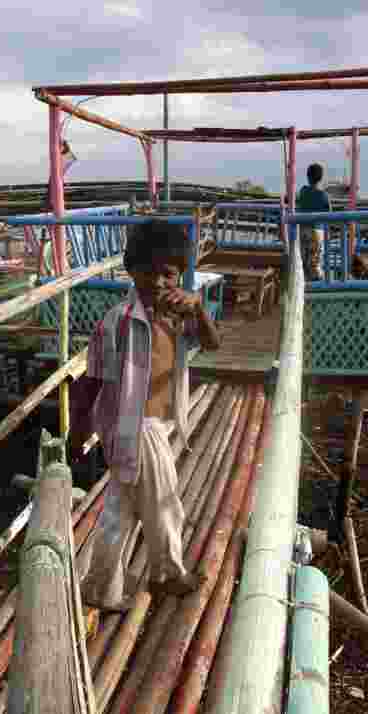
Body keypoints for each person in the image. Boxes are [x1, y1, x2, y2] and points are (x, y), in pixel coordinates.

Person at [70, 220, 222, 612]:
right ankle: (168, 575)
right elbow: (90, 383)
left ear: (178, 275)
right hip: (136, 429)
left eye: (167, 273)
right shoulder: (116, 322)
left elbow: (213, 343)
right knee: (165, 504)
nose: (157, 281)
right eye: (148, 271)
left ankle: (100, 589)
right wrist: (76, 435)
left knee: (119, 514)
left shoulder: (177, 317)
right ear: (131, 269)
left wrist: (199, 309)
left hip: (152, 427)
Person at [296, 163, 332, 281]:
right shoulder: (324, 195)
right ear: (321, 178)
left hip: (302, 229)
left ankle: (304, 280)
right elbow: (329, 214)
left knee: (303, 258)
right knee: (315, 261)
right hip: (316, 231)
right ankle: (317, 281)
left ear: (307, 176)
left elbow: (299, 204)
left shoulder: (303, 191)